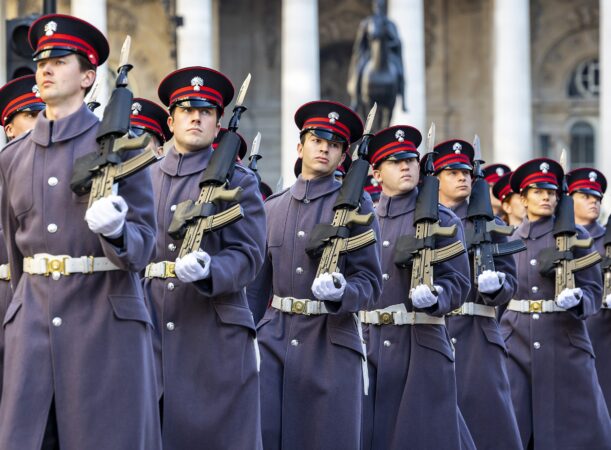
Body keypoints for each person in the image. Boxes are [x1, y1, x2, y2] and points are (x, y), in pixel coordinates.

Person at [0, 14, 161, 450]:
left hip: (104, 326)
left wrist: (118, 231)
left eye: (59, 60)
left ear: (88, 76)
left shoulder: (120, 146)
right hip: (32, 327)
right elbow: (16, 255)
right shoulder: (13, 157)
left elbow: (145, 245)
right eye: (40, 62)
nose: (46, 69)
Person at [247, 100, 382, 450]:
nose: (325, 148)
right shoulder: (272, 207)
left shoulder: (357, 206)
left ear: (343, 156)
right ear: (300, 146)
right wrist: (250, 340)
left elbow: (370, 282)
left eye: (335, 144)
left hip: (331, 343)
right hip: (274, 342)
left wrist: (343, 291)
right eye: (317, 140)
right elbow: (256, 290)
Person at [143, 67, 266, 450]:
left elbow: (249, 254)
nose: (196, 116)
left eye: (207, 111)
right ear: (171, 120)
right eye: (186, 109)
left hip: (212, 331)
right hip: (150, 326)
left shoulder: (239, 180)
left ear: (218, 126)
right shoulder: (145, 177)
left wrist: (211, 270)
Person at [359, 126, 474, 449]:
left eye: (410, 160)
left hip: (420, 342)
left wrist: (437, 296)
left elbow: (458, 281)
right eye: (396, 162)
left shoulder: (441, 219)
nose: (407, 166)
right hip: (370, 343)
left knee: (425, 436)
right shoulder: (362, 218)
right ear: (376, 172)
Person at [501, 158, 611, 449]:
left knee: (574, 427)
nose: (546, 197)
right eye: (538, 192)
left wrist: (578, 300)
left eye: (551, 192)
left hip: (564, 339)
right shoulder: (512, 239)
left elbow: (592, 290)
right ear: (523, 198)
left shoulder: (576, 236)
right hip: (517, 340)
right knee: (513, 424)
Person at [434, 140, 522, 450]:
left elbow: (512, 282)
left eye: (466, 173)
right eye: (453, 172)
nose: (462, 178)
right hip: (433, 330)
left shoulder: (491, 225)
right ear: (435, 177)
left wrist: (497, 285)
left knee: (488, 423)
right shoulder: (424, 223)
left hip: (478, 335)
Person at [0, 74, 46, 400]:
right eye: (30, 115)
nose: (39, 122)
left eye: (43, 113)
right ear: (9, 129)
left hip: (32, 295)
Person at [565, 168, 611, 410]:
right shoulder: (558, 238)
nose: (594, 202)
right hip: (567, 332)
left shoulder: (607, 239)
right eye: (585, 196)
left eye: (597, 198)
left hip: (603, 332)